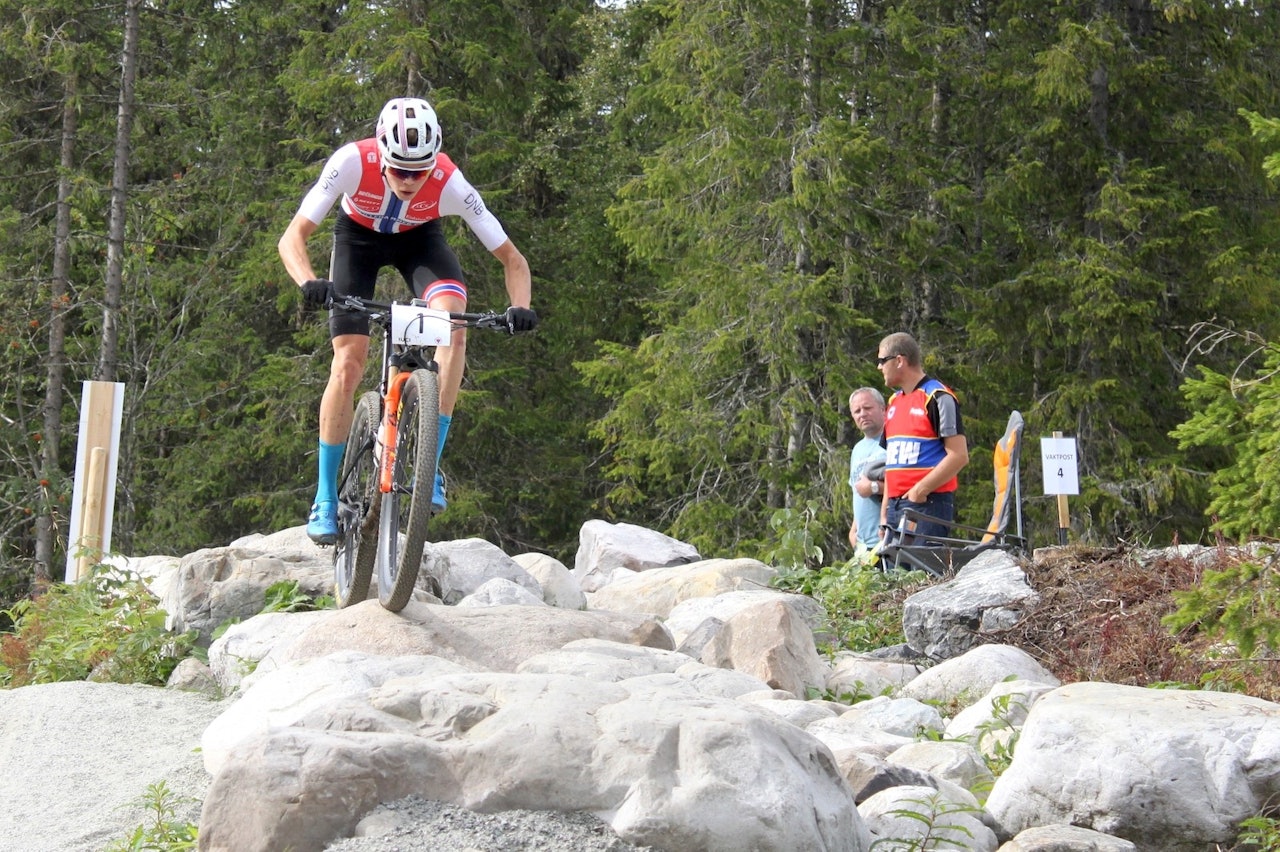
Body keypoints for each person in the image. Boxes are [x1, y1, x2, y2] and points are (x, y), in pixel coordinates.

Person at [279, 96, 537, 544]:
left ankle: (427, 463)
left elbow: (512, 258)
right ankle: (324, 495)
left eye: (420, 171)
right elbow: (292, 237)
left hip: (420, 244)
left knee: (453, 330)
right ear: (381, 154)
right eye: (399, 170)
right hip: (357, 242)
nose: (410, 181)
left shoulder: (449, 181)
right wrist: (309, 281)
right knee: (348, 365)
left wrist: (520, 306)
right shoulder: (351, 162)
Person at [875, 332, 968, 544]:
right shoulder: (894, 402)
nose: (879, 367)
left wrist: (920, 490)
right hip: (895, 508)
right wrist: (884, 512)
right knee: (895, 575)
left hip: (928, 503)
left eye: (882, 360)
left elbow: (959, 456)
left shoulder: (937, 397)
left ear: (899, 361)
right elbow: (893, 463)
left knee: (923, 575)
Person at [847, 387, 887, 553]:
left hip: (887, 538)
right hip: (863, 545)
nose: (862, 414)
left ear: (883, 409)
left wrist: (873, 487)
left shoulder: (893, 440)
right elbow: (857, 492)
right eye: (857, 411)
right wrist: (853, 529)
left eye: (867, 408)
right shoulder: (857, 449)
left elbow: (906, 488)